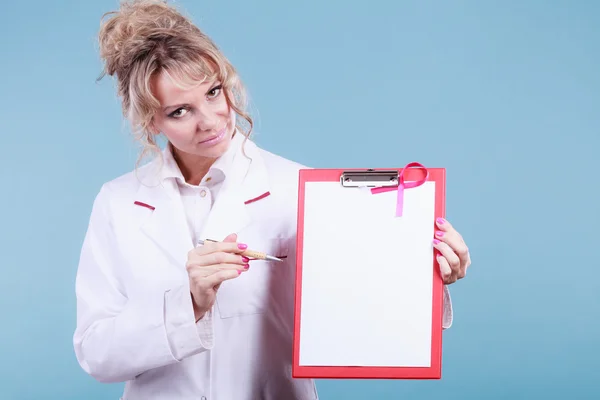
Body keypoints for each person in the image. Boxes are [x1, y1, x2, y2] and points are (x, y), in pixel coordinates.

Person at [72, 0, 472, 399]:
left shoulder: (299, 187)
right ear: (150, 120)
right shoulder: (118, 202)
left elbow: (361, 312)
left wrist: (427, 278)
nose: (210, 120)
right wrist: (188, 304)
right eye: (180, 111)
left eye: (214, 92)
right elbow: (96, 353)